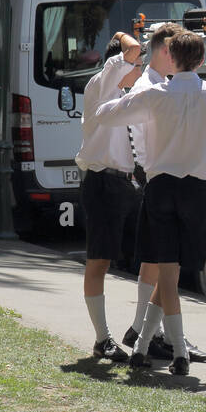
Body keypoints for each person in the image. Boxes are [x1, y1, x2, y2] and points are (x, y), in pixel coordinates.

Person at [94, 30, 206, 376]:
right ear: (203, 60)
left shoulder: (154, 94)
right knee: (172, 274)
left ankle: (150, 346)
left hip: (161, 187)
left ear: (171, 58)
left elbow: (105, 115)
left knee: (168, 272)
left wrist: (126, 96)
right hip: (195, 190)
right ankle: (174, 351)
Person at [118, 22, 206, 364]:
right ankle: (156, 336)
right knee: (158, 263)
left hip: (159, 176)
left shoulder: (161, 86)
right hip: (155, 176)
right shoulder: (151, 86)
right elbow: (142, 139)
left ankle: (146, 332)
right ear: (166, 51)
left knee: (160, 264)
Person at [77, 29, 143, 361]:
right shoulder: (103, 82)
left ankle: (144, 331)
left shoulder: (125, 93)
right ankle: (102, 338)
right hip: (102, 182)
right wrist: (123, 34)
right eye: (137, 63)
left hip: (124, 183)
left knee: (150, 257)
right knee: (99, 260)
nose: (140, 66)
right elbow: (131, 50)